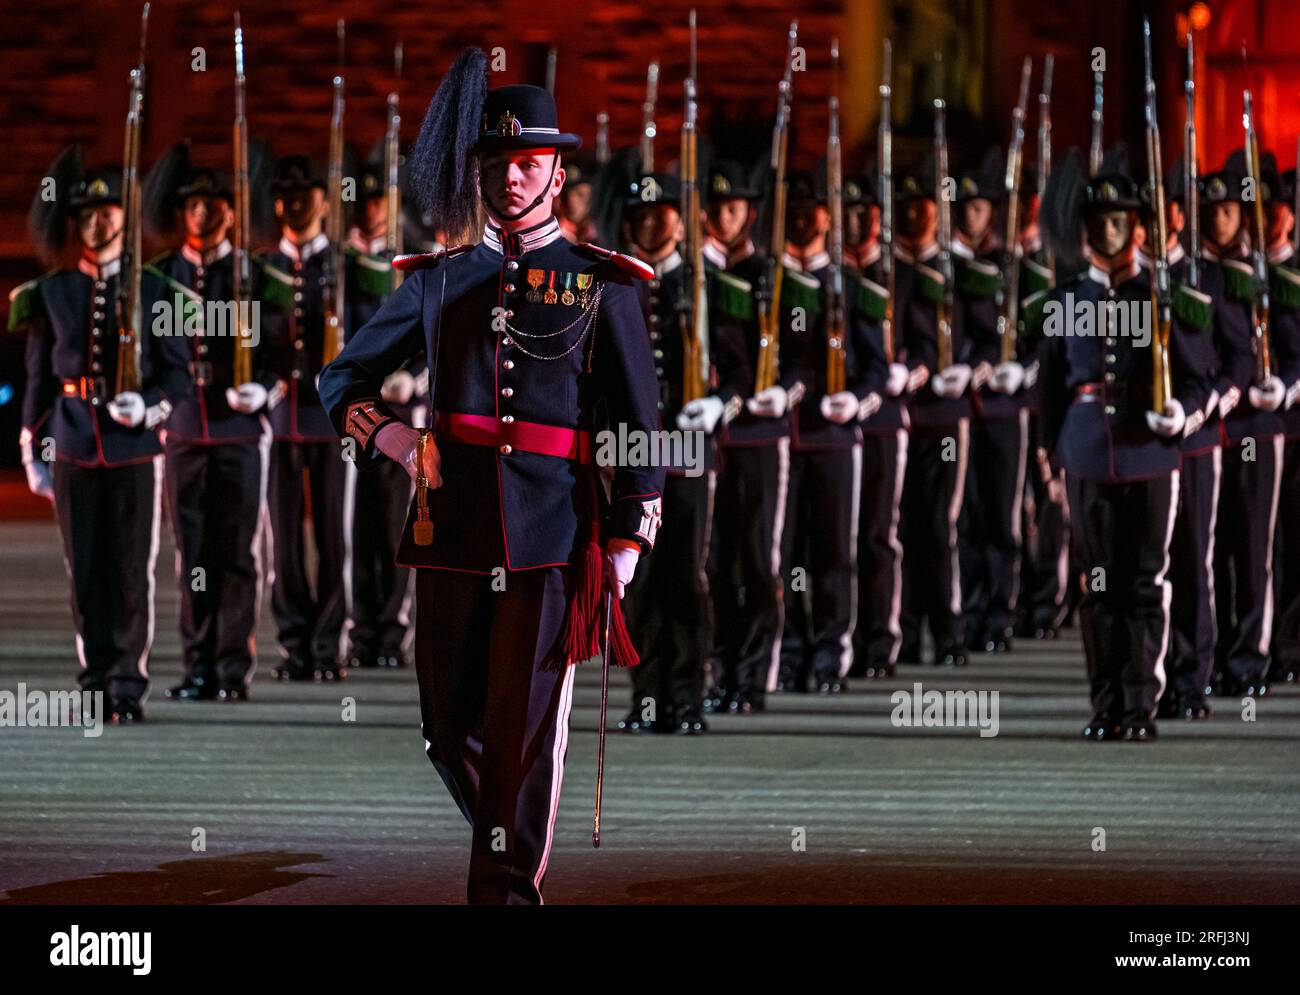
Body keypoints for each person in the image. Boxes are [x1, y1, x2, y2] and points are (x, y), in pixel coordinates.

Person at [318, 53, 664, 904]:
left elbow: (641, 425)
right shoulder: (439, 282)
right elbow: (341, 380)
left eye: (528, 163)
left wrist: (627, 536)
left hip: (552, 534)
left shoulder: (600, 286)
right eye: (497, 164)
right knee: (446, 730)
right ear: (476, 170)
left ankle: (504, 890)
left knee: (521, 733)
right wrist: (399, 443)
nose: (512, 178)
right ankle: (508, 838)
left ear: (555, 170)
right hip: (451, 530)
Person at [1037, 151, 1210, 741]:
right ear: (1085, 229)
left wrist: (1181, 414)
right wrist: (1047, 454)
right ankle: (1104, 703)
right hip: (1085, 450)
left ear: (1138, 227)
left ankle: (1140, 706)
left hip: (1149, 452)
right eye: (1099, 220)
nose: (1108, 230)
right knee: (1098, 586)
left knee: (1144, 582)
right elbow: (1050, 387)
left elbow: (1200, 376)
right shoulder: (1064, 303)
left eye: (1120, 220)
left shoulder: (1165, 298)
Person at [17, 146, 186, 723]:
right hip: (72, 440)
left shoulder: (154, 289)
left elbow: (178, 377)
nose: (99, 221)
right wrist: (31, 447)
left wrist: (154, 406)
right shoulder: (54, 290)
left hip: (136, 447)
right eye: (88, 214)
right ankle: (93, 680)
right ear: (77, 223)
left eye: (109, 211)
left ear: (124, 216)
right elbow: (39, 378)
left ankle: (127, 683)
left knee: (131, 571)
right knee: (84, 571)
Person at [142, 143, 274, 703]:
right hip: (185, 429)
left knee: (238, 553)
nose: (202, 213)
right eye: (193, 205)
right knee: (192, 554)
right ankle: (198, 665)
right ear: (181, 214)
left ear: (229, 211)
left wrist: (264, 388)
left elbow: (284, 348)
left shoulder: (254, 275)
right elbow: (148, 351)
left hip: (240, 429)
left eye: (213, 204)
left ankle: (231, 666)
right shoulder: (160, 278)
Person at [618, 172, 746, 734]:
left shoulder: (707, 286)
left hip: (689, 444)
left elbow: (740, 368)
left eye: (662, 213)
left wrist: (720, 403)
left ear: (679, 220)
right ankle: (646, 697)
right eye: (642, 215)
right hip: (630, 446)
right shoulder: (615, 286)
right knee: (637, 579)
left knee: (687, 575)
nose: (651, 223)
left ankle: (689, 696)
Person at [260, 154, 349, 682]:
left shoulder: (343, 265)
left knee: (335, 537)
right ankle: (295, 645)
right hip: (279, 415)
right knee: (284, 539)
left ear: (323, 201)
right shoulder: (261, 268)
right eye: (287, 194)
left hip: (333, 418)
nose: (296, 203)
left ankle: (328, 646)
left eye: (307, 193)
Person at [343, 161, 425, 670]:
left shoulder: (416, 264)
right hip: (357, 411)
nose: (374, 211)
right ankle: (360, 628)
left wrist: (413, 379)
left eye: (382, 201)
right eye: (367, 201)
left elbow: (433, 341)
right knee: (356, 527)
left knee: (398, 525)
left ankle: (391, 630)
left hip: (402, 411)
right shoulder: (342, 264)